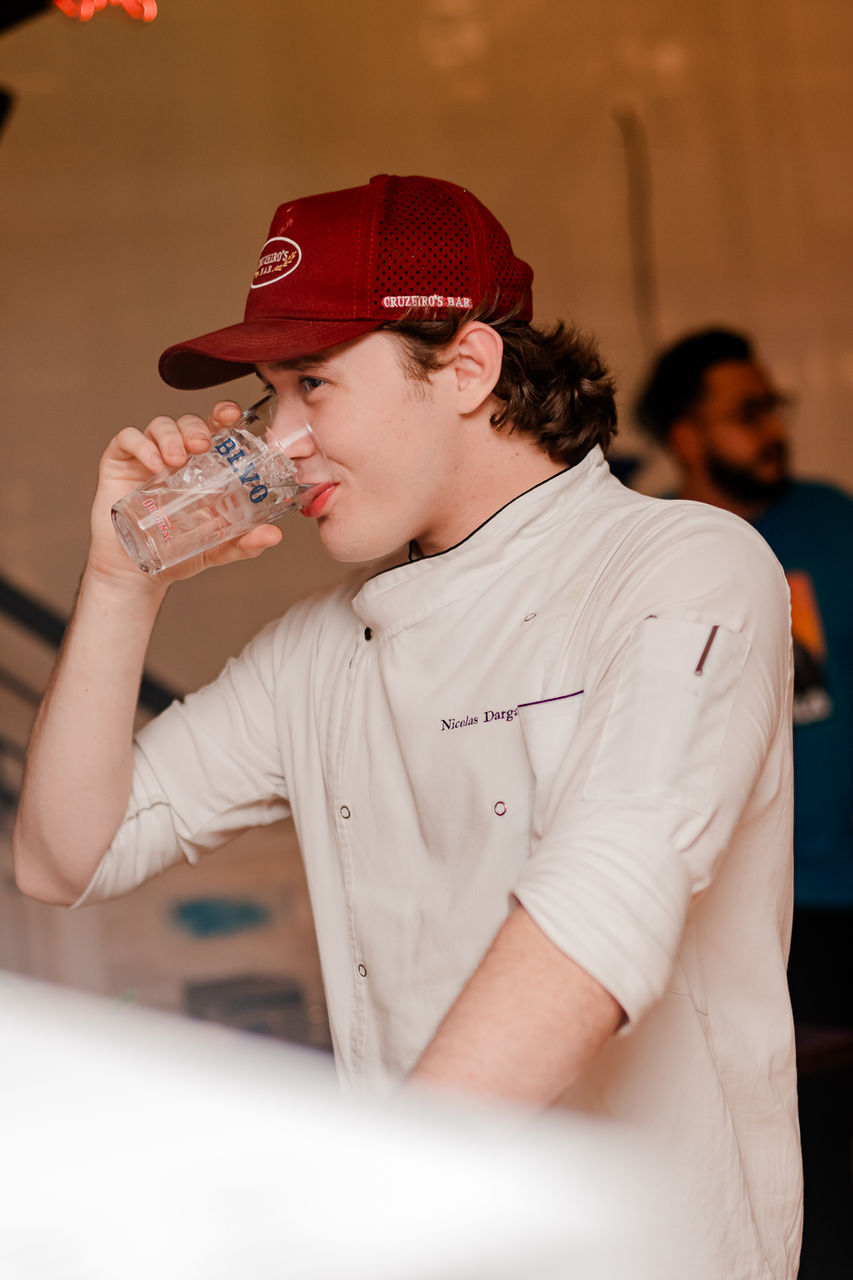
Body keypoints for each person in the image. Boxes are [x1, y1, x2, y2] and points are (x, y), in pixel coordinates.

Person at [13, 176, 801, 1277]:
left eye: (313, 383)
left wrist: (364, 1210)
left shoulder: (683, 567)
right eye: (266, 392)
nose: (276, 441)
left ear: (468, 367)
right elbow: (61, 855)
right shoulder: (319, 649)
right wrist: (119, 577)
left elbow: (602, 903)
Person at [635, 326, 853, 1276]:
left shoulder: (833, 521)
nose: (772, 428)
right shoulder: (650, 549)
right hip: (741, 912)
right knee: (784, 1147)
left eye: (775, 406)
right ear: (687, 435)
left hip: (849, 889)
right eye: (747, 412)